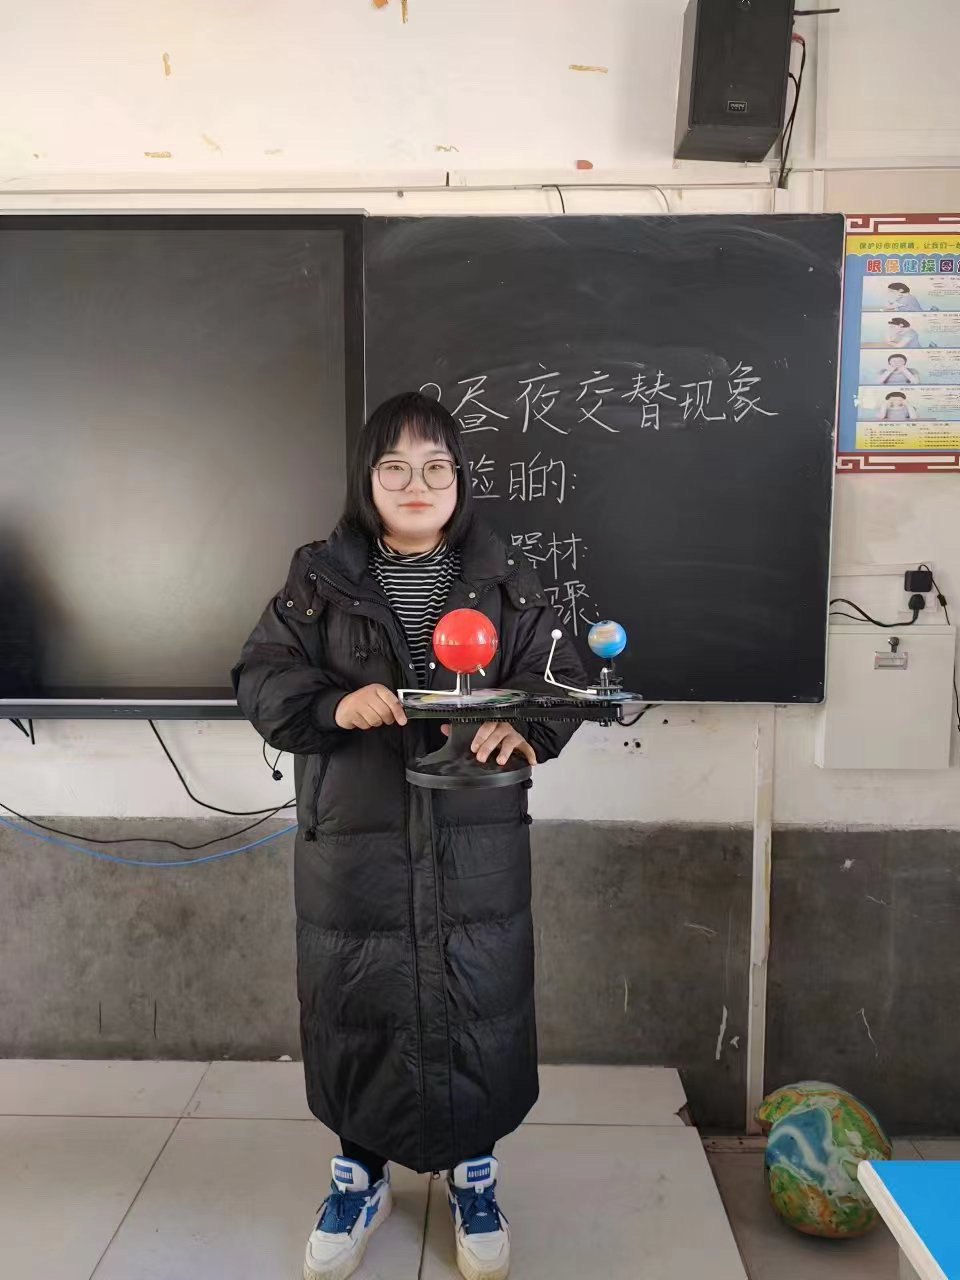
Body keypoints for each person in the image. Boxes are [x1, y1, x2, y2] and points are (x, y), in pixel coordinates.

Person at [232, 391, 586, 1280]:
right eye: (394, 467)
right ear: (368, 480)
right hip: (353, 841)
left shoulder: (504, 577)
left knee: (478, 996)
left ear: (458, 479)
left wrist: (523, 725)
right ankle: (359, 1175)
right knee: (359, 1000)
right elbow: (260, 677)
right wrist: (333, 703)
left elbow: (562, 676)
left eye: (435, 466)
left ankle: (474, 1171)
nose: (415, 483)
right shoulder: (318, 579)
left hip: (476, 841)